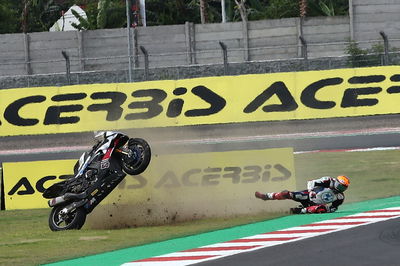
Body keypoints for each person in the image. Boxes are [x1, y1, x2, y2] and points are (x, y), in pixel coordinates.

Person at [255, 175, 350, 214]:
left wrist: (328, 209)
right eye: (341, 186)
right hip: (308, 195)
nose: (341, 189)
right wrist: (311, 190)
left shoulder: (340, 197)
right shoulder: (328, 180)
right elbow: (311, 182)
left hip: (315, 205)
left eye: (344, 188)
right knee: (287, 194)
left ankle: (299, 210)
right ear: (336, 182)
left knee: (321, 208)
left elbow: (334, 208)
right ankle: (265, 196)